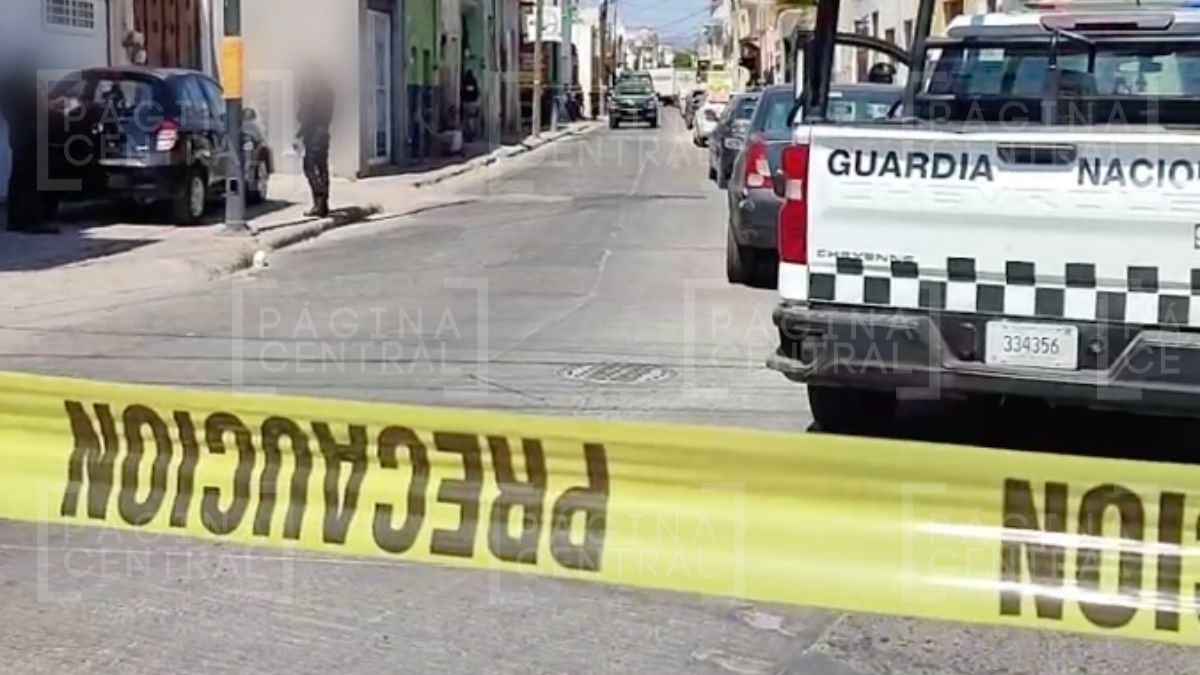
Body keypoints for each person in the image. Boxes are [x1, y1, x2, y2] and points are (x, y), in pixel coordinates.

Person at [1, 54, 55, 233]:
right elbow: (36, 107)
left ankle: (16, 219)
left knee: (19, 176)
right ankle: (31, 219)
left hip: (20, 134)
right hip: (30, 134)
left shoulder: (11, 85)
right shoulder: (25, 85)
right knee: (31, 177)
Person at [296, 63, 334, 218]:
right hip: (324, 132)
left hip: (313, 134)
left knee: (309, 167)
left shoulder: (311, 91)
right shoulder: (329, 91)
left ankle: (320, 200)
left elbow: (307, 115)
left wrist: (299, 133)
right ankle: (323, 204)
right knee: (322, 167)